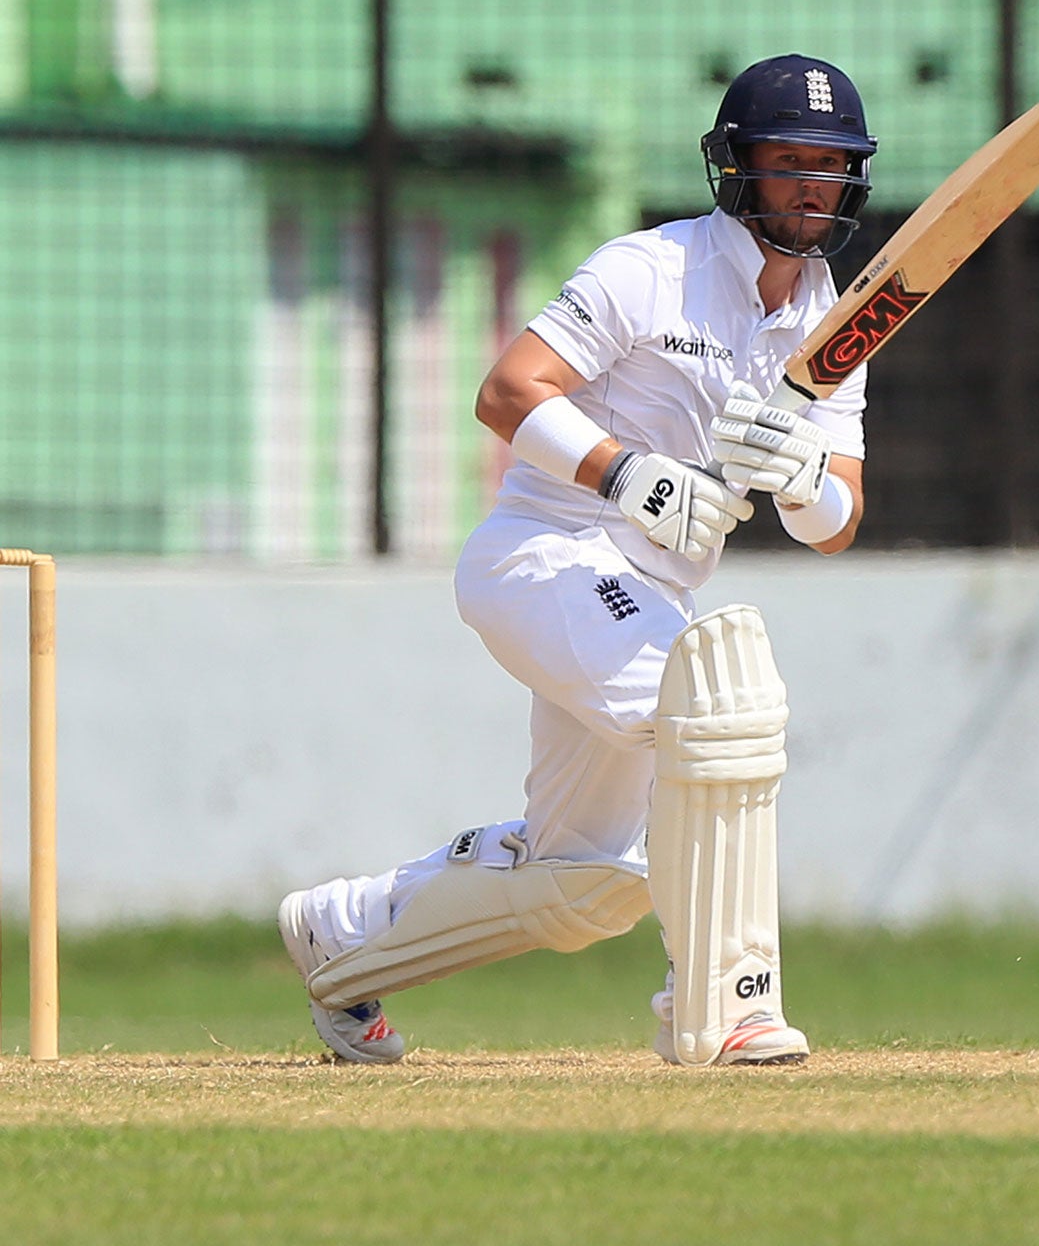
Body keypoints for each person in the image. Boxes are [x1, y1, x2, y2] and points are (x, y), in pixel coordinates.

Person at [277, 53, 880, 1066]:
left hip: (640, 593)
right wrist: (632, 478)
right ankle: (728, 1002)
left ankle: (343, 938)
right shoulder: (649, 269)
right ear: (736, 169)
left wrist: (799, 476)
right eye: (787, 162)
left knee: (584, 887)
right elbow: (509, 391)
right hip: (544, 554)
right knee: (711, 703)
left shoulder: (831, 319)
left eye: (829, 165)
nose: (809, 185)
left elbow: (841, 519)